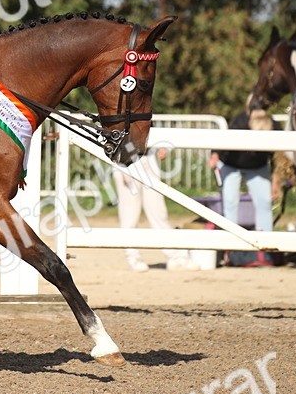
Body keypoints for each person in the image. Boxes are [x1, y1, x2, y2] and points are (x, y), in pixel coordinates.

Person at [209, 106, 275, 266]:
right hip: (231, 163)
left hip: (258, 166)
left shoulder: (274, 125)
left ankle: (265, 249)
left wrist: (276, 181)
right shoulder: (240, 122)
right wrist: (214, 154)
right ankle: (230, 249)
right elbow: (223, 139)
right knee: (230, 203)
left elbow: (278, 156)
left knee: (265, 203)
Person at [114, 147, 197, 271]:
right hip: (126, 158)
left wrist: (162, 146)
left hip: (148, 158)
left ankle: (175, 256)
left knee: (158, 212)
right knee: (129, 215)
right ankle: (133, 258)